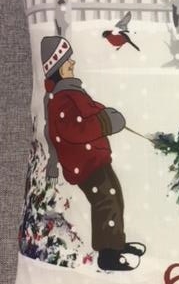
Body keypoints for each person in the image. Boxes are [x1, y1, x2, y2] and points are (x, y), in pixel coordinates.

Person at [41, 35, 145, 271]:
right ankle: (108, 256)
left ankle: (116, 243)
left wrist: (109, 114)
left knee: (114, 197)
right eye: (68, 61)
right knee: (106, 202)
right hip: (85, 164)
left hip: (93, 159)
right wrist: (106, 122)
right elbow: (75, 128)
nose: (73, 63)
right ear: (58, 68)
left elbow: (90, 110)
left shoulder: (71, 92)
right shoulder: (61, 99)